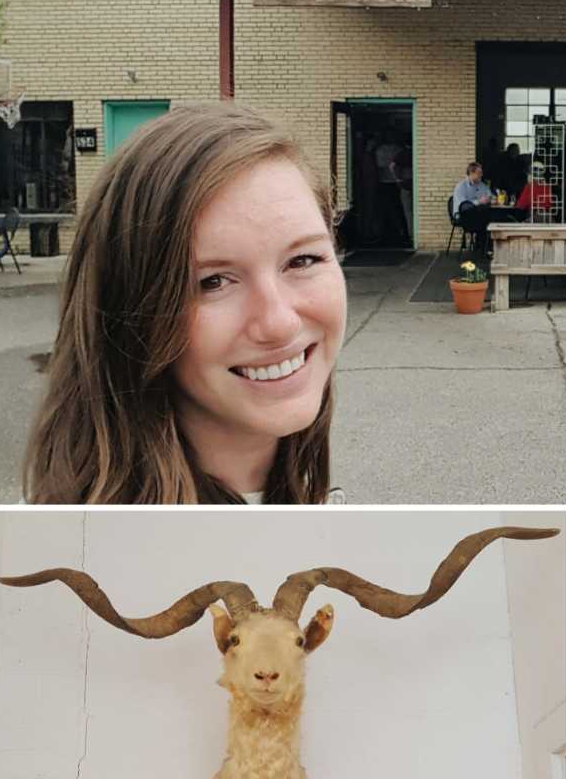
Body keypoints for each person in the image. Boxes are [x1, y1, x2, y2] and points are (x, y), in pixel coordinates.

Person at [23, 102, 347, 503]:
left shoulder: (316, 505)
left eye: (303, 259)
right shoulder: (61, 553)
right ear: (128, 312)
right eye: (212, 282)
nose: (279, 322)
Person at [452, 160, 495, 253]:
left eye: (481, 172)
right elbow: (463, 207)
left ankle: (482, 247)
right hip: (462, 216)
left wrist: (491, 198)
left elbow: (490, 195)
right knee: (487, 220)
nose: (481, 175)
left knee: (491, 217)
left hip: (477, 214)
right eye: (479, 173)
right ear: (471, 173)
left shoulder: (481, 185)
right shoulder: (461, 186)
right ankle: (483, 247)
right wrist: (479, 201)